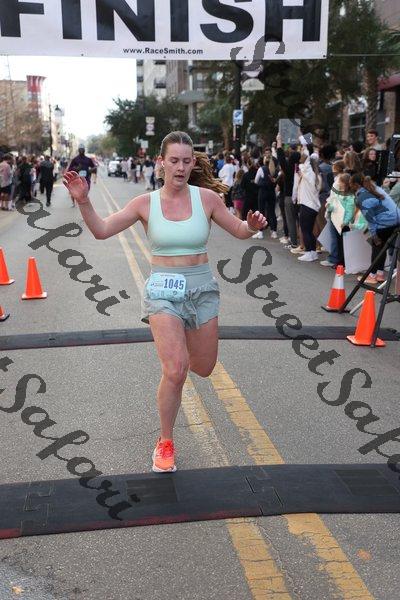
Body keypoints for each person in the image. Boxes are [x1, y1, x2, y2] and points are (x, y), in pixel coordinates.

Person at [63, 131, 267, 474]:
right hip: (163, 290)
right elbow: (101, 230)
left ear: (193, 163)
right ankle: (166, 441)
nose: (181, 167)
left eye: (187, 161)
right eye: (174, 160)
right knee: (175, 369)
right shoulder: (145, 203)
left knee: (204, 366)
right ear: (161, 163)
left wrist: (250, 225)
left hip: (202, 290)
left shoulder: (207, 199)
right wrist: (84, 201)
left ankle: (181, 356)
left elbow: (239, 230)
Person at [350, 174, 400, 284]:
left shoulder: (362, 197)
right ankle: (380, 274)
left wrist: (374, 235)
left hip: (384, 223)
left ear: (356, 185)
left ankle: (372, 275)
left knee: (377, 247)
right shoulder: (375, 188)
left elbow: (370, 219)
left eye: (351, 184)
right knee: (383, 248)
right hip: (396, 220)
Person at [292, 139, 322, 262]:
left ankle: (309, 252)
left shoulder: (309, 174)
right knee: (309, 230)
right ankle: (312, 252)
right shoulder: (317, 176)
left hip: (307, 205)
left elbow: (305, 162)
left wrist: (304, 144)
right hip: (313, 206)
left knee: (305, 230)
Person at [276, 134, 301, 249]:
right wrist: (301, 137)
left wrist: (279, 142)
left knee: (291, 220)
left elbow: (281, 158)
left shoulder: (288, 169)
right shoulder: (303, 168)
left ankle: (294, 242)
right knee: (300, 221)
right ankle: (303, 244)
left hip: (289, 197)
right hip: (301, 197)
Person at [254, 152, 278, 239]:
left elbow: (256, 181)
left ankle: (260, 232)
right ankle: (274, 231)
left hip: (263, 192)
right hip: (272, 192)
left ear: (264, 160)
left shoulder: (262, 169)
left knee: (261, 211)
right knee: (272, 212)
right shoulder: (274, 170)